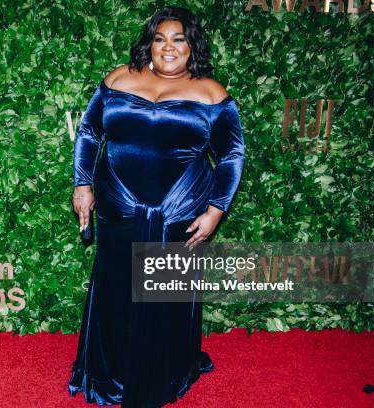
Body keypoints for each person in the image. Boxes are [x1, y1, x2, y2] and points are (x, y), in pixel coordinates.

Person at [67, 6, 245, 408]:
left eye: (178, 39)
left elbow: (231, 155)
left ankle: (162, 373)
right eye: (160, 37)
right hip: (119, 205)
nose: (168, 47)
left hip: (179, 208)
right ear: (149, 41)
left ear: (191, 45)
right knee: (116, 288)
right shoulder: (117, 78)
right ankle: (110, 375)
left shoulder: (212, 93)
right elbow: (91, 132)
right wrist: (82, 184)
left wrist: (216, 209)